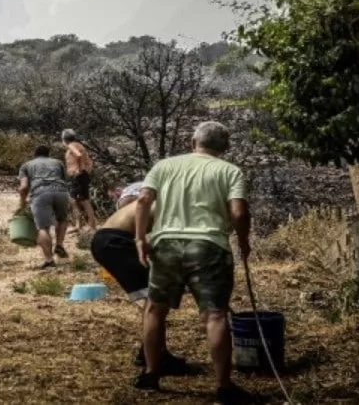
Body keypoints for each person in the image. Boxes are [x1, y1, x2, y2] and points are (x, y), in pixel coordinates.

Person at [132, 121, 253, 404]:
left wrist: (140, 238)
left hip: (166, 244)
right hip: (209, 246)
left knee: (155, 309)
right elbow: (239, 212)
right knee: (215, 315)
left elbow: (143, 200)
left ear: (192, 142)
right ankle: (223, 386)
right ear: (224, 147)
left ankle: (151, 374)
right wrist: (244, 241)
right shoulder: (229, 171)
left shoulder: (164, 166)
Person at [90, 179, 188, 374]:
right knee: (155, 300)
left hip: (109, 240)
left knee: (154, 300)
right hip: (114, 241)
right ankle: (155, 357)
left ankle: (152, 352)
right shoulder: (168, 203)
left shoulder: (162, 199)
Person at [17, 144, 71, 269]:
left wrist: (22, 203)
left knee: (43, 228)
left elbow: (24, 187)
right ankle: (59, 245)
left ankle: (49, 260)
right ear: (48, 154)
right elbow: (65, 179)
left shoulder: (26, 165)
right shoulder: (58, 162)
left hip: (41, 193)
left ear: (35, 154)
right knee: (62, 219)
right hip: (61, 192)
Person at [61, 129, 97, 233]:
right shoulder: (79, 145)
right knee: (74, 200)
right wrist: (86, 170)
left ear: (64, 139)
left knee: (84, 200)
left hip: (78, 176)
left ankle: (92, 225)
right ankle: (78, 225)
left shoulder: (71, 145)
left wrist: (80, 170)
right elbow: (89, 161)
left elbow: (78, 155)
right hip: (79, 176)